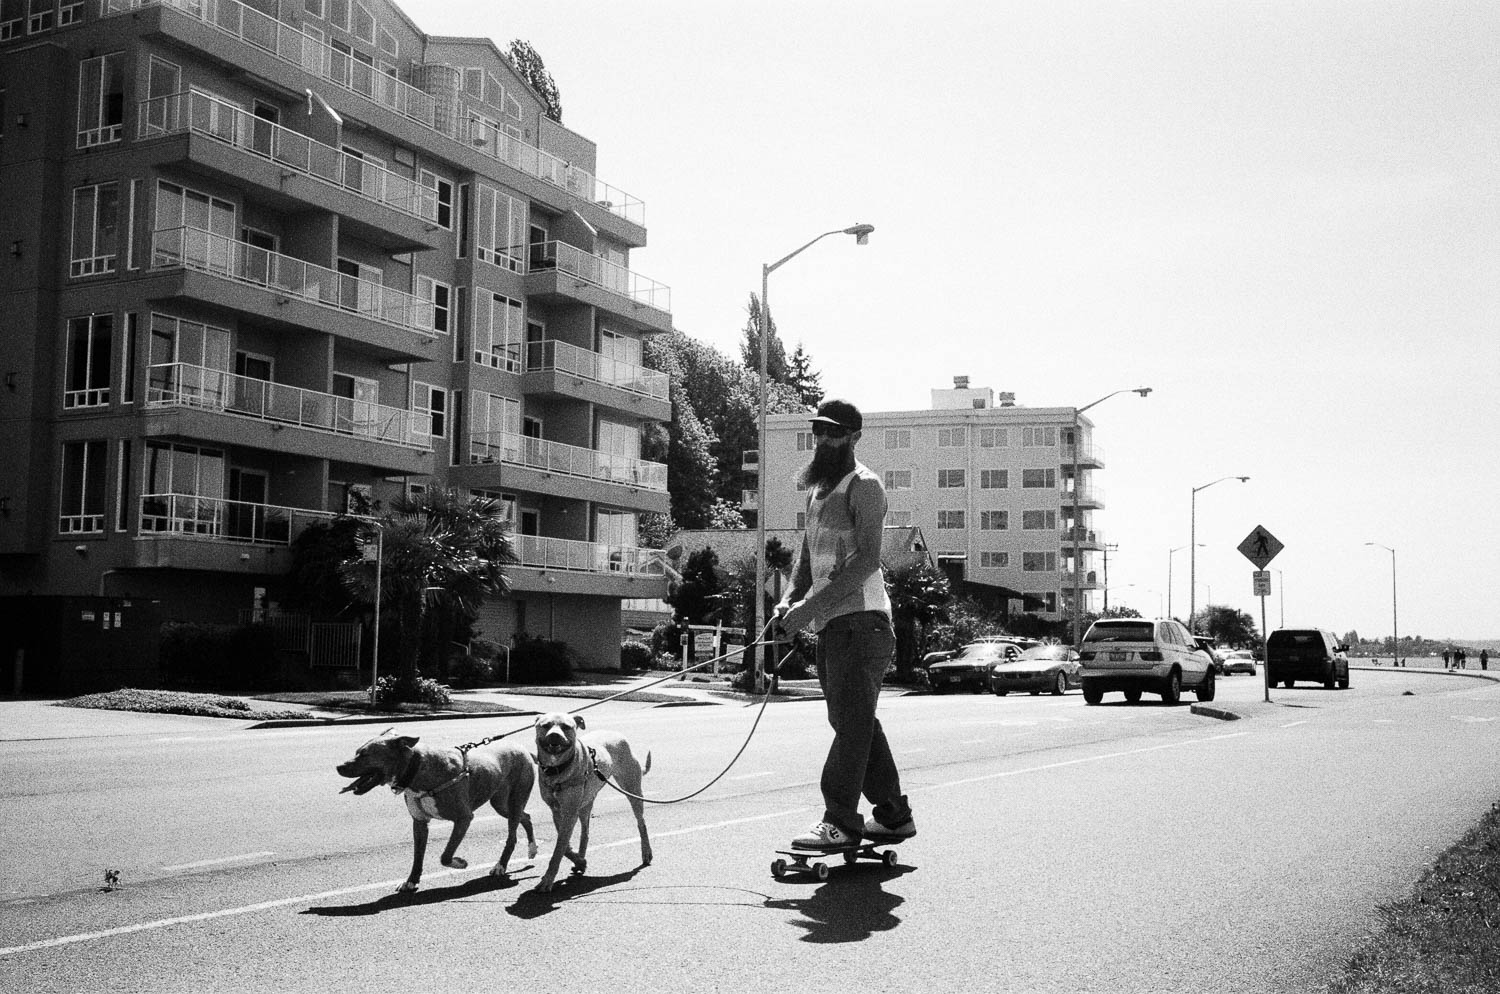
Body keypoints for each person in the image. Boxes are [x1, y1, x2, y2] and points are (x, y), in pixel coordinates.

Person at [774, 398, 915, 850]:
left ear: (855, 436)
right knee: (854, 721)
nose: (823, 439)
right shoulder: (818, 490)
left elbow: (866, 562)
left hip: (865, 622)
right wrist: (789, 600)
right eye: (818, 431)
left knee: (852, 723)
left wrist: (807, 611)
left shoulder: (865, 486)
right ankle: (892, 816)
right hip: (834, 622)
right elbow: (806, 554)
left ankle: (840, 819)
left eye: (833, 432)